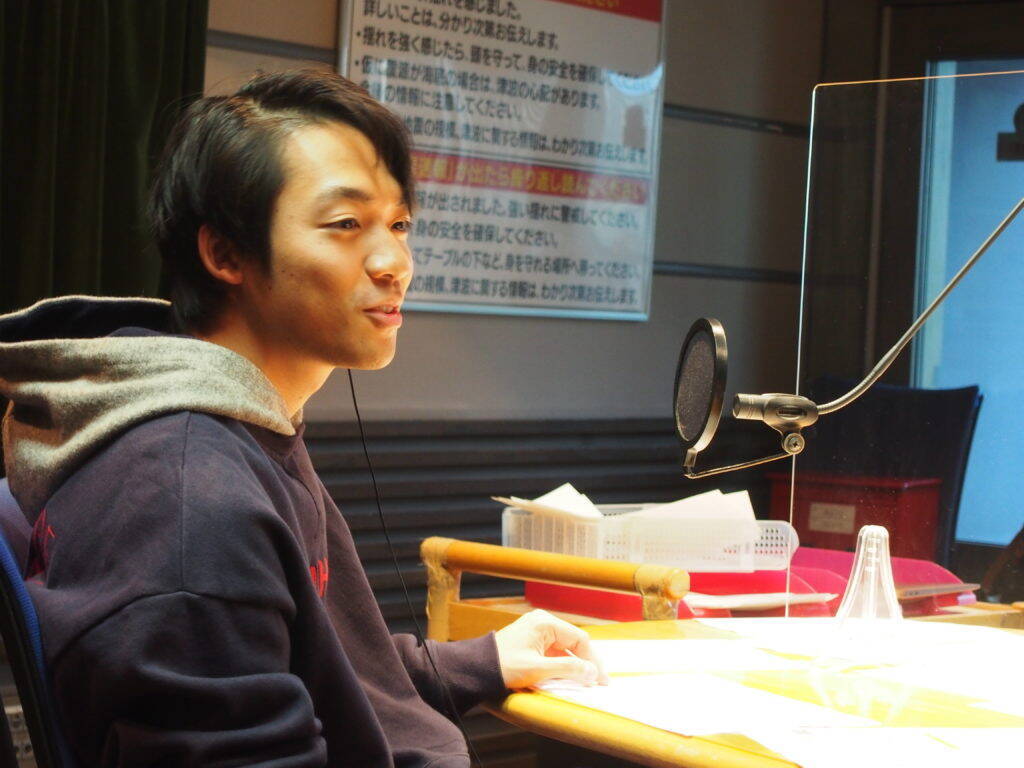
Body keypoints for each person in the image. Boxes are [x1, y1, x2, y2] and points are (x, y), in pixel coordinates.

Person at [0, 69, 605, 767]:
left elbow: (309, 672)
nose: (395, 263)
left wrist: (481, 661)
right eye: (346, 225)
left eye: (399, 224)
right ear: (226, 253)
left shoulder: (239, 431)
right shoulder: (190, 498)